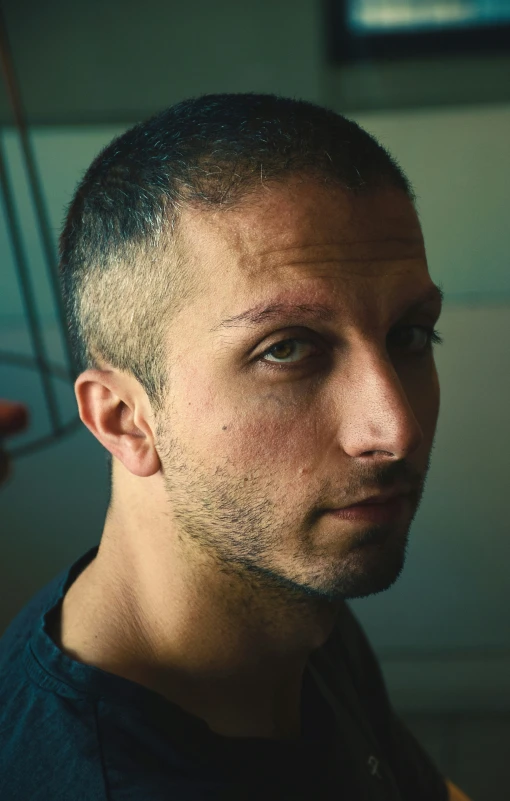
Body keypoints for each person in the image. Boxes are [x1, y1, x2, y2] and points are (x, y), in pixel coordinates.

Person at [0, 93, 472, 801]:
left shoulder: (292, 595)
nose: (393, 428)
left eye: (409, 333)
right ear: (125, 419)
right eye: (287, 349)